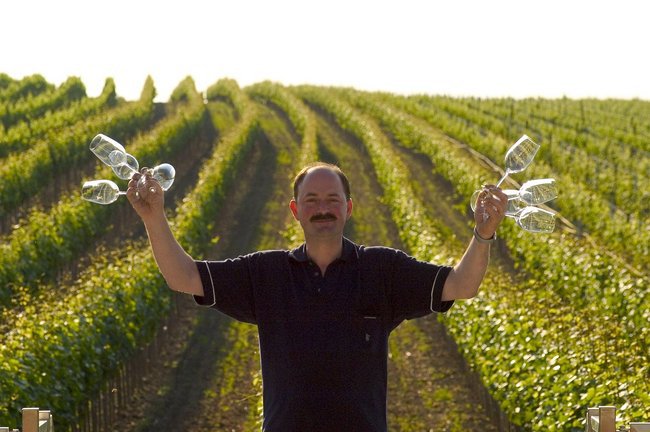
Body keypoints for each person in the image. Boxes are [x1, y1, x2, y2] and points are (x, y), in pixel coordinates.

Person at [127, 162, 507, 432]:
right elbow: (184, 276)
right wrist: (153, 218)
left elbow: (461, 285)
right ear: (295, 211)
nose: (322, 208)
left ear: (348, 208)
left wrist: (483, 234)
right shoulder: (266, 273)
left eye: (331, 199)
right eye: (311, 200)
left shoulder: (382, 270)